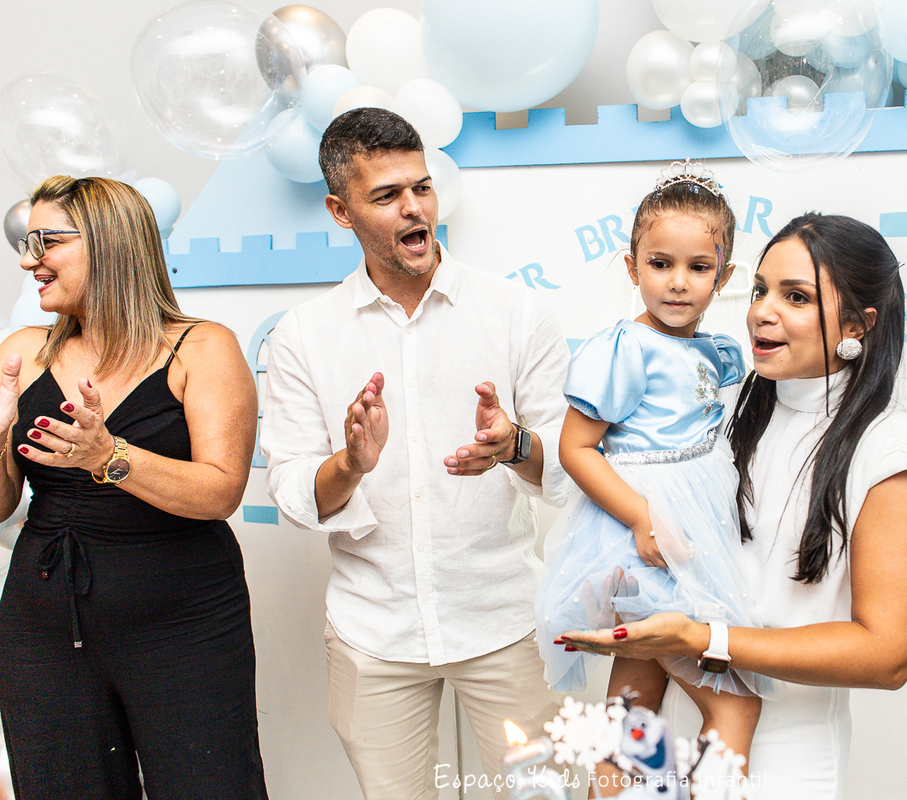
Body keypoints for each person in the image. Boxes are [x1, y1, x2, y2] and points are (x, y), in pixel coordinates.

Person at [561, 212, 907, 799]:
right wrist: (516, 449)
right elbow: (613, 465)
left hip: (782, 761)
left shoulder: (891, 454)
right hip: (666, 731)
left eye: (795, 297)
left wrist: (705, 640)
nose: (762, 312)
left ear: (858, 323)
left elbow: (889, 654)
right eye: (759, 290)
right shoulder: (737, 406)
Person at [260, 107, 572, 800]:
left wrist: (514, 445)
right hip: (373, 631)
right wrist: (350, 464)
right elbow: (292, 490)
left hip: (505, 620)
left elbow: (568, 469)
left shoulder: (516, 313)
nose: (414, 208)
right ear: (340, 211)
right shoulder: (304, 335)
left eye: (422, 187)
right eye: (387, 195)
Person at [0, 176, 263, 798]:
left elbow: (221, 491)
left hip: (184, 622)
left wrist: (109, 456)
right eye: (26, 243)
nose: (29, 260)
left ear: (108, 242)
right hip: (44, 624)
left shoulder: (203, 347)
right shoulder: (23, 354)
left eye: (45, 241)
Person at [535, 162, 771, 773]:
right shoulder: (625, 348)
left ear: (724, 276)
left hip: (696, 525)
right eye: (660, 264)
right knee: (735, 704)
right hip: (641, 537)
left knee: (632, 703)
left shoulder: (713, 351)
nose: (678, 283)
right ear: (632, 266)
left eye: (699, 268)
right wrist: (643, 518)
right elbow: (576, 449)